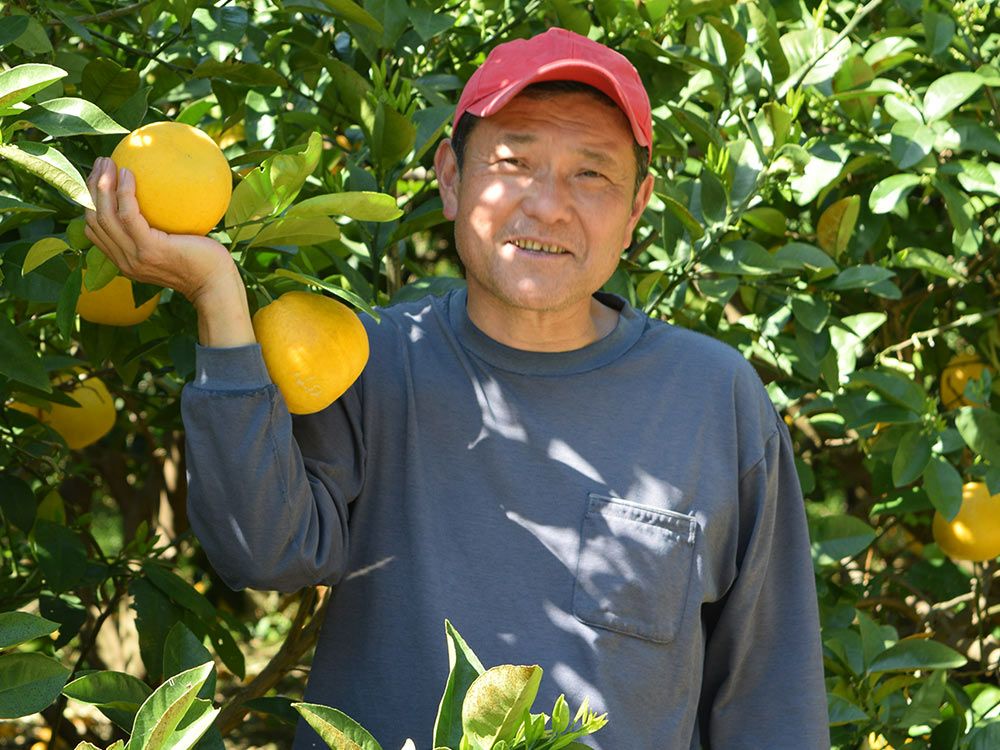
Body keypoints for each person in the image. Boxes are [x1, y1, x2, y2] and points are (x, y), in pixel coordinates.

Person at [85, 27, 828, 749]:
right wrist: (217, 295)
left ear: (636, 208)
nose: (548, 204)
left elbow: (768, 692)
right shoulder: (370, 362)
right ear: (449, 177)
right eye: (514, 161)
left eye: (592, 174)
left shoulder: (711, 396)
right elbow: (261, 553)